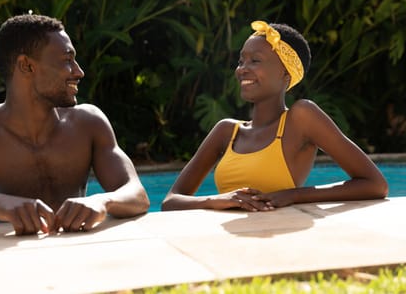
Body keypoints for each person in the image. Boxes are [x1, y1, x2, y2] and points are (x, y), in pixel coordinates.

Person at [0, 14, 150, 235]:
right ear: (26, 66)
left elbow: (138, 195)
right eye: (67, 60)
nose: (79, 72)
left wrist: (103, 200)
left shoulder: (88, 123)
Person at [161, 20, 388, 212]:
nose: (242, 69)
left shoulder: (301, 118)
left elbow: (375, 184)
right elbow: (170, 201)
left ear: (286, 75)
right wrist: (217, 200)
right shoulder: (226, 131)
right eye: (241, 61)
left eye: (255, 61)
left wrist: (293, 195)